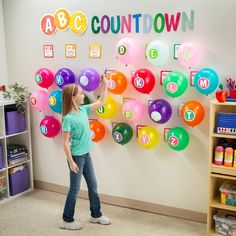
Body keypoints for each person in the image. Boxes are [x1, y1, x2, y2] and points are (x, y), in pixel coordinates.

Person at [59, 74, 111, 230]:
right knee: (74, 189)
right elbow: (65, 143)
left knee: (93, 185)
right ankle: (66, 220)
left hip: (86, 155)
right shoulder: (68, 119)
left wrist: (105, 85)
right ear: (74, 99)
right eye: (81, 93)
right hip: (76, 157)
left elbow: (102, 101)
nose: (83, 95)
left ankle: (96, 215)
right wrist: (71, 161)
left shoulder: (83, 110)